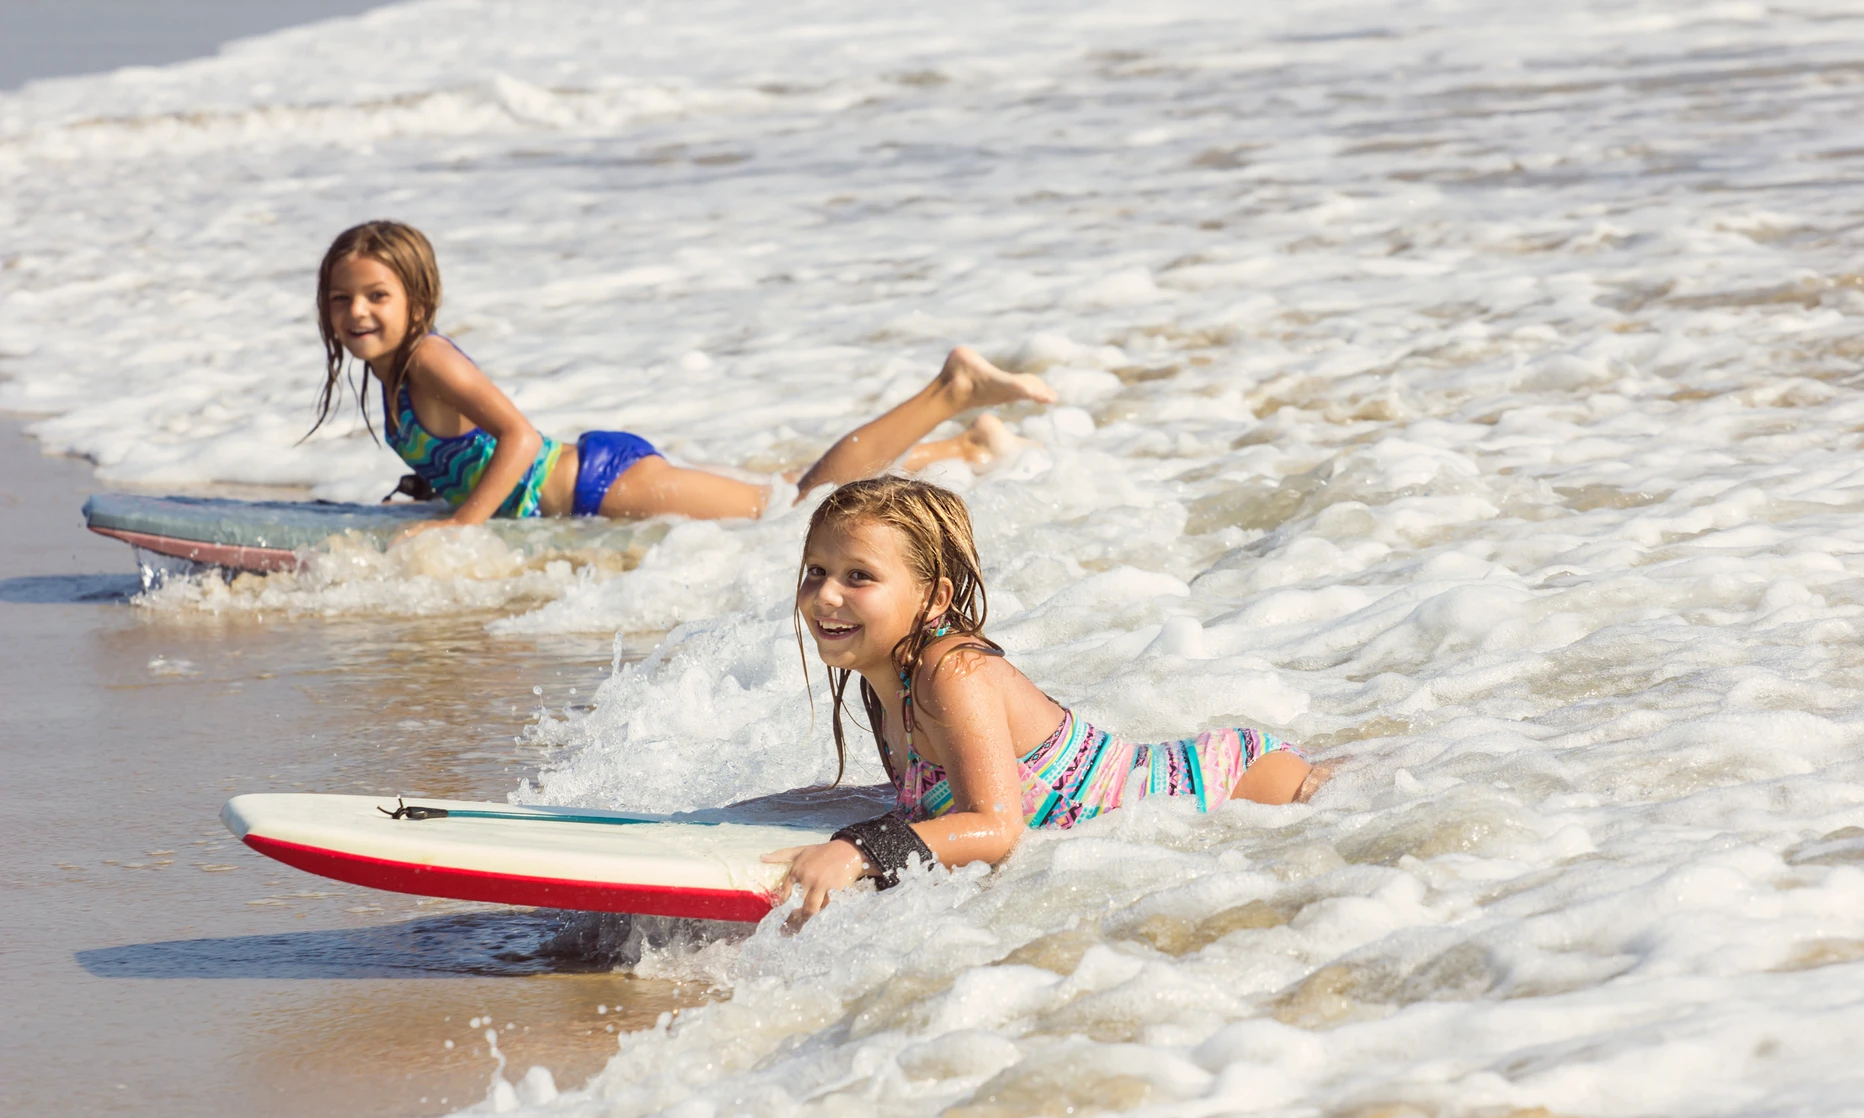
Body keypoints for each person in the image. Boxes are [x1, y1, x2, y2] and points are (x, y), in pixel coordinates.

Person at [765, 477, 1327, 921]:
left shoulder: (951, 671)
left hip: (1230, 786)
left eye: (858, 575)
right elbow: (944, 799)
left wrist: (861, 852)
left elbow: (997, 826)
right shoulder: (884, 678)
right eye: (817, 570)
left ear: (932, 599)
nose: (826, 594)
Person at [311, 221, 1053, 532]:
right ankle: (965, 450)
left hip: (602, 485)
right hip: (592, 481)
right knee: (786, 486)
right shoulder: (389, 372)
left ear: (417, 299)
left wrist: (460, 530)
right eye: (343, 298)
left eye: (377, 296)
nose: (357, 312)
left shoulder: (429, 360)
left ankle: (951, 391)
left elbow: (518, 437)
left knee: (794, 509)